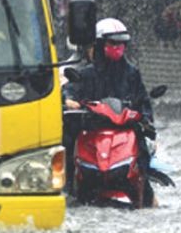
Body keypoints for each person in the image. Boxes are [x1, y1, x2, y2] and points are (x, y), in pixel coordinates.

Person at [64, 18, 158, 203]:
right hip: (92, 128)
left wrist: (145, 120)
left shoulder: (131, 73)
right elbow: (70, 90)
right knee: (67, 142)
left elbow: (143, 101)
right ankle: (68, 187)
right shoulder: (86, 73)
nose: (117, 48)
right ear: (100, 45)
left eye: (121, 44)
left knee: (143, 150)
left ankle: (146, 196)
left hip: (124, 129)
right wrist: (69, 101)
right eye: (112, 43)